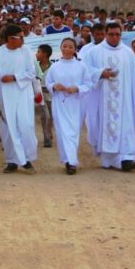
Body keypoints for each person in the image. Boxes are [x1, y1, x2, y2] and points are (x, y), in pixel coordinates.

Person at [84, 22, 135, 171]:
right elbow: (85, 72)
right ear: (105, 33)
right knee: (105, 126)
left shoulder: (128, 53)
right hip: (101, 98)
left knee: (126, 125)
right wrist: (100, 73)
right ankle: (108, 159)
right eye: (111, 34)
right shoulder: (94, 52)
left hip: (124, 101)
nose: (115, 37)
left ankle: (126, 158)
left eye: (118, 34)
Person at [0, 25, 38, 174]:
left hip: (23, 94)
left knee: (25, 126)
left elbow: (31, 73)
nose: (23, 40)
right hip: (4, 96)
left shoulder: (27, 51)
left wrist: (14, 77)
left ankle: (27, 159)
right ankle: (12, 161)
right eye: (20, 37)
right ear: (10, 39)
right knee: (8, 129)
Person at [45, 38, 92, 174]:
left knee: (73, 132)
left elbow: (88, 84)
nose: (67, 49)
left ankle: (70, 159)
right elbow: (48, 83)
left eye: (70, 47)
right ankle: (70, 162)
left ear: (75, 49)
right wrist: (54, 86)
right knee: (63, 132)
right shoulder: (54, 66)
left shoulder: (81, 66)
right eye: (64, 46)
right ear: (61, 48)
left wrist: (76, 88)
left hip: (77, 104)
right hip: (60, 103)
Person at [35, 44, 55, 148]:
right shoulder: (35, 66)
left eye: (38, 52)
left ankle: (49, 134)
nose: (36, 54)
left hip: (50, 95)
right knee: (45, 116)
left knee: (51, 117)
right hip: (40, 95)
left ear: (44, 54)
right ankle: (47, 138)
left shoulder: (53, 67)